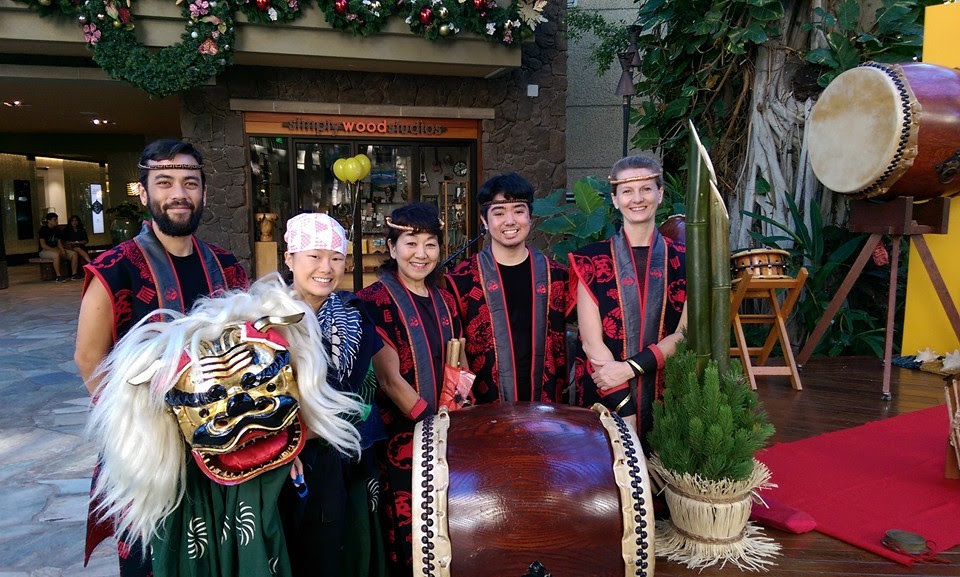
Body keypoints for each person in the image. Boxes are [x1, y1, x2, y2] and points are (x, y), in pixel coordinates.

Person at [74, 138, 249, 577]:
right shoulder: (116, 268)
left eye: (190, 183)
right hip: (149, 452)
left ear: (204, 193)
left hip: (222, 441)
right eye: (165, 182)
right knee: (153, 561)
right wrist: (135, 427)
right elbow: (89, 358)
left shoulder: (228, 267)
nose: (178, 193)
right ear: (145, 192)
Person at [357, 203, 464, 576]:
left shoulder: (446, 299)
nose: (421, 254)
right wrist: (432, 427)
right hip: (404, 438)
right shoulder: (373, 301)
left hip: (447, 430)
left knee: (449, 528)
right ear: (391, 247)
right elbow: (389, 379)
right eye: (410, 243)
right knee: (411, 532)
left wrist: (461, 404)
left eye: (430, 244)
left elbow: (457, 359)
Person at [279, 212, 388, 577]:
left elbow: (371, 385)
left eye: (336, 257)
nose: (326, 268)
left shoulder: (354, 313)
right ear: (289, 257)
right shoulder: (263, 317)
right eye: (314, 255)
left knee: (343, 551)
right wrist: (285, 441)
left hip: (345, 456)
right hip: (286, 462)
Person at [569, 155, 687, 446]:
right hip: (607, 393)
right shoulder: (591, 259)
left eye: (646, 189)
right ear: (614, 198)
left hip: (668, 394)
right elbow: (591, 343)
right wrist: (625, 406)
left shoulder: (686, 260)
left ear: (660, 194)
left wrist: (629, 368)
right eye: (627, 191)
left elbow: (684, 334)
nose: (637, 198)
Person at [445, 173, 570, 403]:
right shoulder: (460, 281)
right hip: (484, 414)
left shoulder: (558, 276)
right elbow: (452, 353)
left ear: (530, 216)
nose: (510, 221)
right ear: (484, 221)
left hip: (547, 412)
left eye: (519, 211)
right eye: (499, 213)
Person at [38, 212, 81, 281]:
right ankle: (58, 276)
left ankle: (74, 274)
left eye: (57, 219)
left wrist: (62, 250)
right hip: (44, 251)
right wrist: (55, 250)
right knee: (56, 255)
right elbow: (43, 245)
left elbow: (59, 242)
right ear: (49, 221)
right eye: (54, 220)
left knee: (74, 254)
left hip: (56, 248)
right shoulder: (43, 230)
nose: (56, 221)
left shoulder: (56, 229)